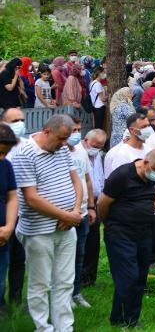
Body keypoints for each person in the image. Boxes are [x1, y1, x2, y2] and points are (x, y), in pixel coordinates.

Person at [12, 114, 83, 332]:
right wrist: (66, 216)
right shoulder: (25, 153)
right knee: (40, 283)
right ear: (47, 131)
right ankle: (43, 328)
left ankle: (64, 327)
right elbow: (31, 198)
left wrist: (75, 211)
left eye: (66, 139)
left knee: (65, 281)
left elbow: (76, 181)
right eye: (61, 138)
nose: (64, 144)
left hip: (67, 226)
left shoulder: (62, 149)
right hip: (38, 230)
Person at [97, 149, 155, 327]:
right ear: (145, 162)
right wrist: (110, 224)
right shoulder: (122, 175)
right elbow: (102, 203)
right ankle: (124, 319)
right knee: (128, 276)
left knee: (140, 277)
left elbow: (153, 196)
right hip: (120, 233)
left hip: (144, 233)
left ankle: (129, 319)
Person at [65, 119, 96, 309]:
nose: (76, 134)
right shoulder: (59, 152)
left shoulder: (81, 151)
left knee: (79, 254)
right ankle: (64, 293)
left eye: (78, 129)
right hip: (64, 214)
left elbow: (87, 179)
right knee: (63, 257)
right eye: (72, 130)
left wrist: (91, 206)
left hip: (83, 212)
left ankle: (76, 292)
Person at [76, 129, 107, 289]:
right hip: (80, 202)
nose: (96, 148)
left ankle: (89, 278)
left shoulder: (97, 155)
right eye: (94, 145)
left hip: (95, 201)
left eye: (100, 146)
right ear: (86, 140)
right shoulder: (78, 153)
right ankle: (78, 278)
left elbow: (99, 177)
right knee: (81, 241)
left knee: (93, 241)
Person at [0, 123, 18, 316]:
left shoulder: (5, 165)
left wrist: (9, 227)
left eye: (5, 153)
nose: (2, 157)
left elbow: (12, 197)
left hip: (3, 234)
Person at [104, 113, 149, 178]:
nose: (148, 129)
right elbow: (119, 180)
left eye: (148, 126)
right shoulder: (121, 154)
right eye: (143, 127)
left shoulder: (149, 149)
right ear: (132, 130)